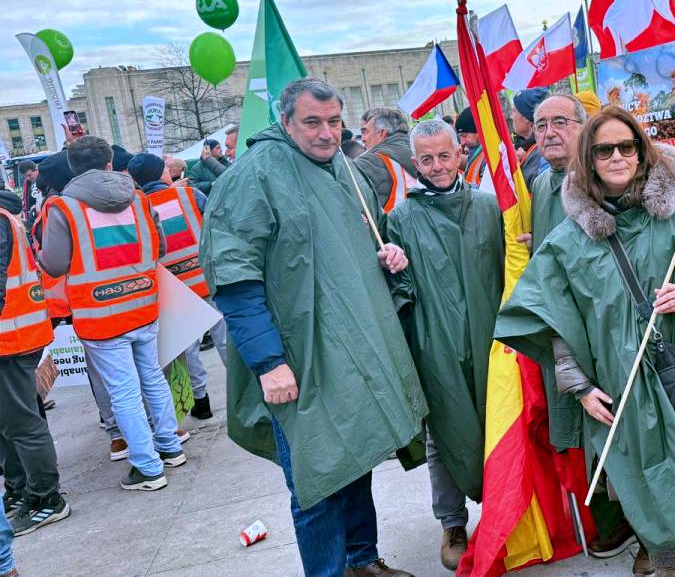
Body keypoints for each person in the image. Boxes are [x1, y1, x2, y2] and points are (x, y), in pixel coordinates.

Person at [495, 107, 675, 577]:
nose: (617, 157)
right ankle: (668, 566)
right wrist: (581, 388)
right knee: (647, 492)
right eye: (604, 149)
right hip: (620, 388)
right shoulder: (567, 240)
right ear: (588, 159)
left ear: (641, 150)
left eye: (626, 146)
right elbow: (555, 322)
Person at [201, 78, 425, 577]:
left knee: (356, 457)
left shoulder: (343, 168)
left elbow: (351, 240)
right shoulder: (254, 175)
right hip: (297, 357)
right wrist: (269, 363)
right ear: (285, 121)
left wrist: (386, 253)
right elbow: (235, 279)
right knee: (316, 476)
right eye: (312, 122)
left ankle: (361, 561)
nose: (326, 133)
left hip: (352, 349)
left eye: (334, 122)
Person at [517, 93, 639, 561]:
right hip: (564, 327)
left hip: (609, 326)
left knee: (624, 428)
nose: (548, 131)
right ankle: (611, 521)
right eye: (540, 123)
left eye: (560, 122)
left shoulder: (600, 181)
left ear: (585, 129)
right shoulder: (541, 183)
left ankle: (649, 532)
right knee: (585, 431)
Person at [383, 119, 502, 571]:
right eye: (426, 159)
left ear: (460, 154)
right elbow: (399, 290)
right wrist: (390, 265)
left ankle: (504, 508)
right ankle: (452, 521)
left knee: (499, 424)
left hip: (492, 338)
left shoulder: (490, 209)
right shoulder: (400, 220)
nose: (436, 166)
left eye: (443, 156)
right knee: (444, 435)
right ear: (415, 163)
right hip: (435, 345)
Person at [37, 136, 184, 492]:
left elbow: (54, 264)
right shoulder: (138, 198)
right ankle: (169, 446)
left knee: (123, 391)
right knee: (152, 375)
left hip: (100, 313)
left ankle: (148, 468)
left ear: (72, 167)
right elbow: (160, 246)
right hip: (144, 303)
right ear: (108, 163)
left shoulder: (64, 208)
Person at [127, 153, 227, 421]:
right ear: (164, 173)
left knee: (188, 348)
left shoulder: (137, 208)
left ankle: (201, 401)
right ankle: (252, 392)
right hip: (209, 279)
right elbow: (218, 226)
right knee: (227, 340)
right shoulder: (190, 195)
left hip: (174, 290)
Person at [0, 188, 67, 536]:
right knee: (10, 424)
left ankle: (46, 499)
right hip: (13, 337)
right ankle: (20, 489)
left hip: (10, 341)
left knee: (21, 424)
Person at [355, 108, 419, 214]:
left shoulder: (366, 162)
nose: (363, 139)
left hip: (392, 228)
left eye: (365, 132)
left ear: (381, 133)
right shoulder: (424, 154)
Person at [512, 88, 550, 184]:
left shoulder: (542, 151)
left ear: (526, 118)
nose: (511, 117)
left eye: (514, 112)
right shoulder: (520, 145)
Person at [455, 110, 488, 190]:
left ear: (478, 131)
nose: (462, 142)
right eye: (460, 136)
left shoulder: (489, 158)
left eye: (464, 136)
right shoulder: (477, 151)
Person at [16, 162, 38, 227]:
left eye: (29, 175)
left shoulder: (45, 180)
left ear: (36, 170)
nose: (27, 178)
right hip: (32, 221)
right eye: (25, 176)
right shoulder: (28, 184)